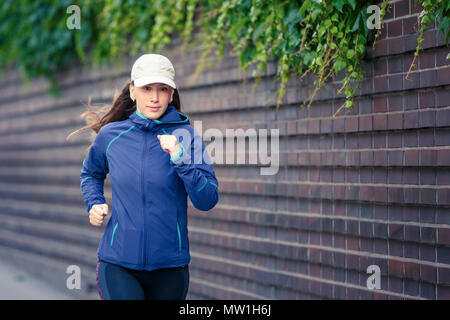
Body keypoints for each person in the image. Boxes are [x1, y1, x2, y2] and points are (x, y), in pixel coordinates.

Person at [70, 53, 219, 300]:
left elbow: (207, 199)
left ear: (172, 94)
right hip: (118, 263)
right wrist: (94, 201)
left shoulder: (187, 137)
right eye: (147, 88)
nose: (154, 97)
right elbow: (91, 174)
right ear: (132, 91)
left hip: (171, 268)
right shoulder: (111, 135)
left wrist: (180, 158)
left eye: (163, 89)